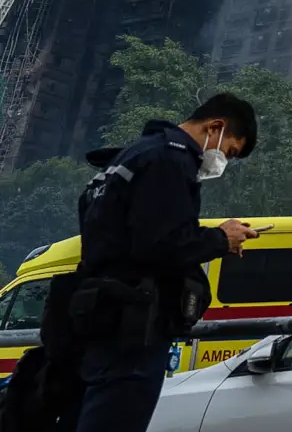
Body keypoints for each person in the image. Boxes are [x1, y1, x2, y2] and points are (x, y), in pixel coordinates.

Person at [71, 94, 260, 432]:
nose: (223, 162)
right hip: (132, 325)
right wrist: (221, 239)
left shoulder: (132, 156)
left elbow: (133, 236)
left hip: (101, 314)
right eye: (229, 152)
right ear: (215, 127)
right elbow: (161, 245)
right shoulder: (170, 160)